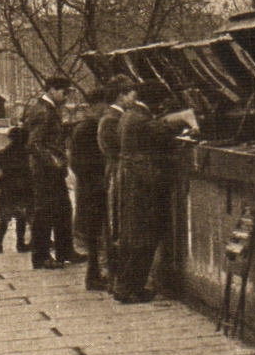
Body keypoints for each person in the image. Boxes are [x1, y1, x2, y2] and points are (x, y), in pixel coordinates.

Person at [115, 85, 190, 304]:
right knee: (144, 237)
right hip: (144, 185)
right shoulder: (140, 119)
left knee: (134, 237)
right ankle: (130, 289)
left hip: (134, 183)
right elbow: (159, 130)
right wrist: (187, 122)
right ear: (157, 102)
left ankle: (127, 286)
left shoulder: (129, 115)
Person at [23, 75, 78, 269]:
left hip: (52, 171)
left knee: (63, 209)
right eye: (64, 92)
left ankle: (65, 251)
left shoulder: (48, 109)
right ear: (52, 90)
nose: (66, 97)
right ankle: (41, 256)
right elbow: (33, 144)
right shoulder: (43, 112)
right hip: (45, 172)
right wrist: (53, 161)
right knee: (45, 213)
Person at [69, 85, 114, 291]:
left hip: (89, 187)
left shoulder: (83, 126)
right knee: (96, 234)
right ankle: (94, 276)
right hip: (93, 188)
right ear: (97, 105)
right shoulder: (89, 128)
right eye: (105, 106)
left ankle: (95, 275)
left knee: (94, 233)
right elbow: (82, 163)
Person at [98, 75, 137, 298]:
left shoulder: (114, 116)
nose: (134, 99)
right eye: (132, 95)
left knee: (118, 227)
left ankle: (117, 280)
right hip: (117, 176)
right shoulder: (112, 119)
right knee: (117, 227)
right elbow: (114, 149)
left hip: (117, 173)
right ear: (121, 96)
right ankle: (118, 280)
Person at [0, 125, 31, 254]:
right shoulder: (28, 154)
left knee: (4, 219)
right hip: (24, 189)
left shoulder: (2, 154)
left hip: (7, 189)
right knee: (21, 217)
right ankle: (20, 244)